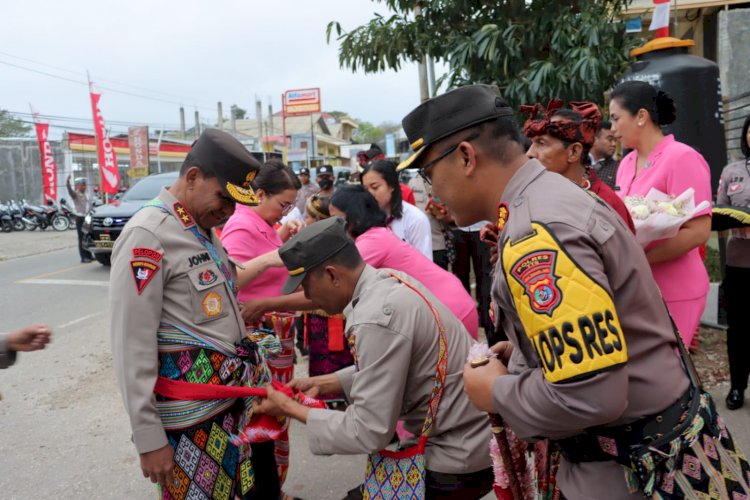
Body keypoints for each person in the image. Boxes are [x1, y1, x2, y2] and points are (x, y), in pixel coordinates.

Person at [396, 84, 749, 498]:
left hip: (631, 470)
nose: (431, 192)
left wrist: (495, 391)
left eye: (428, 172)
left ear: (466, 157)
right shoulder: (554, 197)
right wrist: (528, 351)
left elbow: (591, 395)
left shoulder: (537, 232)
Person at [253, 217, 494, 498]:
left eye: (305, 285)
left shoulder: (375, 317)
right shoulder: (388, 280)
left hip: (457, 456)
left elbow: (369, 430)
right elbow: (396, 368)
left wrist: (292, 409)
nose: (306, 295)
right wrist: (331, 382)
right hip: (473, 439)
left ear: (332, 275)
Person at [109, 128, 281, 499]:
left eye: (236, 203)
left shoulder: (200, 228)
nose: (229, 211)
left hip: (229, 409)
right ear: (192, 177)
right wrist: (148, 436)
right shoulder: (148, 236)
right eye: (223, 197)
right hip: (189, 423)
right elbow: (131, 344)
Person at [611, 80, 712, 347]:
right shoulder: (626, 163)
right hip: (637, 286)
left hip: (675, 286)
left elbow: (698, 230)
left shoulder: (681, 157)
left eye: (615, 118)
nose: (612, 130)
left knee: (670, 369)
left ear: (641, 116)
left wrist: (641, 259)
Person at [219, 158, 302, 485]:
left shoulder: (262, 225)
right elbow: (233, 278)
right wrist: (276, 253)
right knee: (267, 414)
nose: (285, 212)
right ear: (260, 194)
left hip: (275, 333)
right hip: (262, 334)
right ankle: (266, 487)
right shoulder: (241, 226)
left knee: (276, 411)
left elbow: (262, 259)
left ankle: (273, 486)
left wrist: (280, 235)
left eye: (291, 206)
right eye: (282, 204)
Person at [330, 184, 478, 338]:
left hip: (449, 312)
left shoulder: (372, 242)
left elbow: (333, 286)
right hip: (450, 305)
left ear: (355, 216)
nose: (332, 226)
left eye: (337, 220)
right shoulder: (376, 234)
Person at [522, 99, 635, 232]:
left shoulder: (607, 205)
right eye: (532, 144)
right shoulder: (530, 196)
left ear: (573, 152)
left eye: (541, 143)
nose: (529, 154)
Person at [717, 114, 750, 410]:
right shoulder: (732, 171)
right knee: (738, 329)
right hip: (739, 263)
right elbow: (719, 213)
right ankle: (737, 386)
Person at [361, 160, 432, 259]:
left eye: (375, 187)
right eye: (365, 189)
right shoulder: (362, 219)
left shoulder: (415, 219)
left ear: (392, 186)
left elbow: (425, 263)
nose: (370, 194)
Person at [408, 174, 454, 269]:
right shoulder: (413, 182)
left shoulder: (444, 180)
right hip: (418, 245)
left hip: (437, 243)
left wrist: (444, 213)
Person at [66, 174, 93, 263]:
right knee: (81, 238)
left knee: (88, 236)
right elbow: (70, 191)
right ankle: (83, 257)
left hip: (87, 218)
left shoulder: (87, 194)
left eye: (85, 185)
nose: (84, 187)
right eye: (82, 185)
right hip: (80, 218)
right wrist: (68, 182)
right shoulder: (75, 194)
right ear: (78, 186)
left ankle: (89, 255)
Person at [590, 120, 620, 190]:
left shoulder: (618, 169)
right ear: (594, 140)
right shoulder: (579, 162)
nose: (614, 144)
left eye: (615, 140)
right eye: (610, 139)